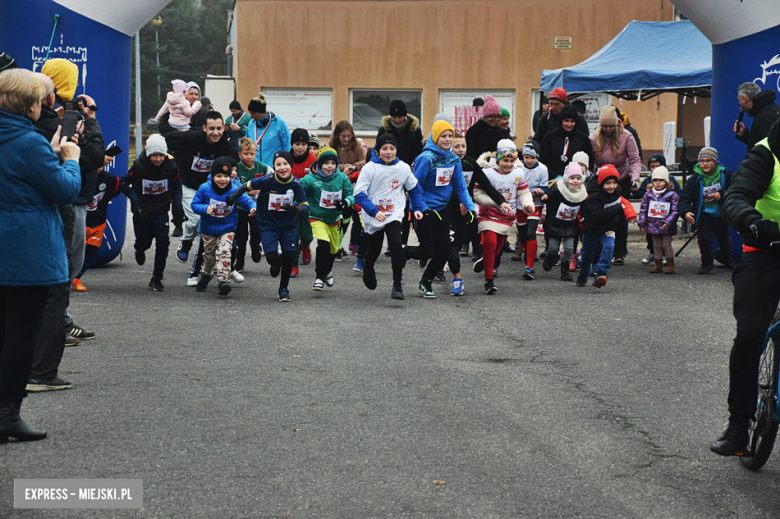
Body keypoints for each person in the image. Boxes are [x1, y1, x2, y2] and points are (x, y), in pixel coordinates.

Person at [0, 68, 80, 435]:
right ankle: (6, 415)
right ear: (29, 104)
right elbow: (64, 189)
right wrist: (71, 159)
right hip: (25, 251)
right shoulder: (29, 143)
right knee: (21, 334)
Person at [713, 120, 780, 456]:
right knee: (751, 334)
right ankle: (739, 424)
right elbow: (736, 195)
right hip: (768, 251)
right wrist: (752, 221)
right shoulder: (766, 152)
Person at [40, 60, 103, 342]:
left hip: (70, 195)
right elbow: (91, 157)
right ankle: (55, 324)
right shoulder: (57, 116)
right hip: (67, 196)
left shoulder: (48, 112)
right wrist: (90, 121)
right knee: (64, 262)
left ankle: (58, 320)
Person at [405, 120, 476, 298]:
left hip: (442, 210)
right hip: (424, 211)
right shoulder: (426, 158)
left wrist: (470, 207)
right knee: (428, 251)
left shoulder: (453, 159)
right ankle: (402, 250)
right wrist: (420, 208)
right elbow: (415, 186)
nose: (447, 139)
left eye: (449, 136)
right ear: (435, 137)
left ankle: (426, 281)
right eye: (443, 136)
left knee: (444, 251)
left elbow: (460, 187)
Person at [166, 111, 237, 285]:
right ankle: (186, 242)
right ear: (204, 128)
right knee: (197, 219)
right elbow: (165, 138)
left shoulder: (226, 147)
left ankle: (207, 263)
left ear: (223, 128)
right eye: (211, 128)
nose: (215, 132)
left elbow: (234, 167)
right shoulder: (191, 138)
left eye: (219, 128)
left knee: (207, 222)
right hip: (188, 184)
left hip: (211, 189)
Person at [227, 151, 308, 302]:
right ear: (274, 166)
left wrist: (295, 209)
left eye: (285, 164)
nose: (282, 167)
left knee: (289, 256)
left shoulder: (296, 183)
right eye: (278, 164)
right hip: (268, 224)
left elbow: (305, 206)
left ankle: (283, 289)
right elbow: (245, 186)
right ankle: (276, 263)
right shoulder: (267, 180)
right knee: (271, 257)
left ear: (291, 165)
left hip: (287, 225)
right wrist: (232, 198)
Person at [354, 134, 425, 300]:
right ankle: (368, 266)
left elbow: (414, 189)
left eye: (392, 148)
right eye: (384, 148)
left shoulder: (403, 167)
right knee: (375, 249)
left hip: (394, 214)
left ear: (396, 150)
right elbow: (359, 194)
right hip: (374, 216)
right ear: (378, 150)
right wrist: (373, 211)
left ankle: (397, 285)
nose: (388, 152)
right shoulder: (370, 168)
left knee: (395, 245)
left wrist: (417, 208)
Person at [122, 134, 183, 291]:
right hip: (142, 210)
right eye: (154, 155)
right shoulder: (139, 166)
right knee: (145, 241)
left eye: (161, 155)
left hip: (161, 210)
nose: (158, 159)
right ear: (148, 154)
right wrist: (134, 202)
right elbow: (123, 183)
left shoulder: (171, 166)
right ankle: (140, 248)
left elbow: (177, 184)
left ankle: (157, 277)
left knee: (163, 242)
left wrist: (177, 202)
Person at [473, 140, 533, 293]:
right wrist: (496, 201)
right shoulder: (487, 172)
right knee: (491, 243)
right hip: (488, 214)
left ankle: (486, 259)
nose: (508, 164)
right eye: (505, 160)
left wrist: (528, 205)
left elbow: (523, 192)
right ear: (498, 158)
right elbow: (477, 194)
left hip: (507, 217)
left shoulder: (519, 172)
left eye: (512, 160)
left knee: (497, 249)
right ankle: (489, 280)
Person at [72, 155, 140, 291]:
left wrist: (135, 202)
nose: (98, 168)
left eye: (100, 165)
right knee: (72, 250)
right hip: (79, 220)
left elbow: (127, 189)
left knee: (92, 252)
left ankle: (77, 278)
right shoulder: (78, 175)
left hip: (98, 222)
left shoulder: (108, 178)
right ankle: (63, 278)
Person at [192, 157, 256, 297]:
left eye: (226, 176)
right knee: (209, 257)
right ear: (213, 176)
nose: (223, 179)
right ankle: (207, 275)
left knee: (224, 252)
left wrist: (252, 208)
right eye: (219, 176)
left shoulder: (235, 189)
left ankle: (223, 282)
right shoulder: (204, 188)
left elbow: (247, 200)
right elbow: (194, 205)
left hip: (227, 228)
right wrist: (205, 208)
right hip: (208, 230)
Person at [590, 105, 641, 264]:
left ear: (617, 124)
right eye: (604, 126)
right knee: (599, 215)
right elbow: (589, 160)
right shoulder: (593, 137)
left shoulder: (627, 136)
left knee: (620, 215)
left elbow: (634, 159)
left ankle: (619, 252)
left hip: (621, 179)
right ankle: (599, 250)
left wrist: (635, 178)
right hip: (600, 178)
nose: (608, 129)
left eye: (611, 126)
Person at [301, 147, 355, 291]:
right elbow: (298, 189)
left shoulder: (342, 178)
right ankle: (319, 277)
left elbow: (351, 194)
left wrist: (346, 202)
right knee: (323, 245)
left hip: (335, 219)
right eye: (326, 163)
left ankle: (327, 270)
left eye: (333, 163)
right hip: (317, 217)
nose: (329, 166)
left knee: (333, 250)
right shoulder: (311, 179)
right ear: (319, 164)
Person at [576, 165, 636, 288]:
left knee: (609, 246)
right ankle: (584, 272)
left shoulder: (617, 191)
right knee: (586, 256)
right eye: (608, 183)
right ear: (601, 182)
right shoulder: (594, 196)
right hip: (592, 229)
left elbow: (625, 203)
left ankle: (601, 273)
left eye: (614, 182)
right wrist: (617, 208)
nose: (612, 186)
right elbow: (596, 214)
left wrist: (631, 215)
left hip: (609, 228)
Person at [679, 147, 736, 274]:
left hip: (721, 212)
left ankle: (728, 260)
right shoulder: (695, 178)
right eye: (701, 161)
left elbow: (736, 188)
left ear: (715, 161)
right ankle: (707, 263)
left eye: (708, 160)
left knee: (725, 239)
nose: (704, 163)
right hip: (704, 213)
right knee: (704, 239)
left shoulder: (725, 174)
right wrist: (686, 212)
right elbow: (684, 198)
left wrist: (722, 194)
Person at [541, 163, 587, 281]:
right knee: (553, 248)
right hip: (555, 224)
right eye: (572, 178)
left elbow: (586, 206)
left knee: (569, 248)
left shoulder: (582, 193)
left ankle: (565, 270)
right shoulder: (559, 189)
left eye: (578, 178)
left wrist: (585, 215)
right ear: (566, 178)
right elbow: (549, 197)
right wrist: (546, 197)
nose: (575, 181)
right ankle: (550, 258)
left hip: (570, 226)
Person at [636, 154, 682, 266]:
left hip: (665, 219)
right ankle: (653, 254)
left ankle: (667, 257)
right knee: (652, 239)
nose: (655, 169)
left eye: (658, 165)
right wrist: (635, 191)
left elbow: (679, 195)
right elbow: (643, 197)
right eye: (652, 166)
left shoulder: (670, 181)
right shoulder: (648, 181)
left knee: (665, 241)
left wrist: (671, 217)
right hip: (652, 219)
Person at [329, 120, 366, 258]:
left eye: (348, 136)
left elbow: (365, 161)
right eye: (343, 136)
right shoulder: (331, 146)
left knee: (351, 217)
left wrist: (354, 167)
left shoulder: (357, 145)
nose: (346, 139)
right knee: (338, 217)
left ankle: (346, 245)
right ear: (337, 135)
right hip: (336, 185)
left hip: (354, 185)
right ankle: (336, 246)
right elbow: (326, 163)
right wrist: (342, 167)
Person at [234, 137, 270, 272]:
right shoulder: (236, 168)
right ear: (239, 154)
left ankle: (255, 245)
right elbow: (233, 187)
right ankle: (240, 261)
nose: (249, 157)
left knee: (257, 231)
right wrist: (248, 193)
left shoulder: (262, 167)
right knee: (240, 236)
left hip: (257, 207)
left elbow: (272, 178)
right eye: (245, 154)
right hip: (241, 208)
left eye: (252, 154)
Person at [513, 143, 549, 279]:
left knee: (530, 232)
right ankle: (529, 250)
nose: (529, 160)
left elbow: (545, 187)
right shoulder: (518, 168)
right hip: (520, 204)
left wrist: (542, 191)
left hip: (535, 204)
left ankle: (529, 267)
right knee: (522, 235)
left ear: (537, 158)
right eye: (526, 157)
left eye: (532, 158)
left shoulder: (542, 169)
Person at [289, 128, 317, 276]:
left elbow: (318, 181)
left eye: (303, 144)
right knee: (293, 234)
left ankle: (305, 246)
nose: (300, 147)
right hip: (291, 204)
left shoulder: (313, 160)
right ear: (292, 144)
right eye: (297, 143)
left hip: (308, 204)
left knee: (306, 236)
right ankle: (293, 265)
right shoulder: (286, 158)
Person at [539, 105, 594, 181]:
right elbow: (543, 160)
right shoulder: (549, 137)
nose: (569, 124)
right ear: (561, 120)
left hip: (576, 181)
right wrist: (555, 176)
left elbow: (589, 162)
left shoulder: (583, 139)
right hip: (552, 180)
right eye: (566, 121)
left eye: (572, 121)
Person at [246, 93, 291, 167]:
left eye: (253, 113)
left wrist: (282, 165)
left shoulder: (279, 123)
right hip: (255, 169)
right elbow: (246, 146)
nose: (251, 116)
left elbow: (287, 148)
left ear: (261, 112)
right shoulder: (251, 124)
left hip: (273, 169)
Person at [734, 82, 780, 153]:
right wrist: (744, 134)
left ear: (745, 99)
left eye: (739, 100)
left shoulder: (764, 117)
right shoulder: (771, 108)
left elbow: (767, 150)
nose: (740, 104)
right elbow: (760, 143)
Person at [376, 100, 424, 166]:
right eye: (394, 117)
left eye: (400, 117)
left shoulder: (415, 131)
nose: (397, 120)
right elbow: (377, 150)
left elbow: (418, 151)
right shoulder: (384, 130)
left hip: (409, 168)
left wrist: (415, 163)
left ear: (405, 116)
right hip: (388, 167)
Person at [465, 95, 503, 160]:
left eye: (497, 117)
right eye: (491, 117)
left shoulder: (498, 130)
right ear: (484, 116)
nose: (495, 120)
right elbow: (469, 154)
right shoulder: (473, 131)